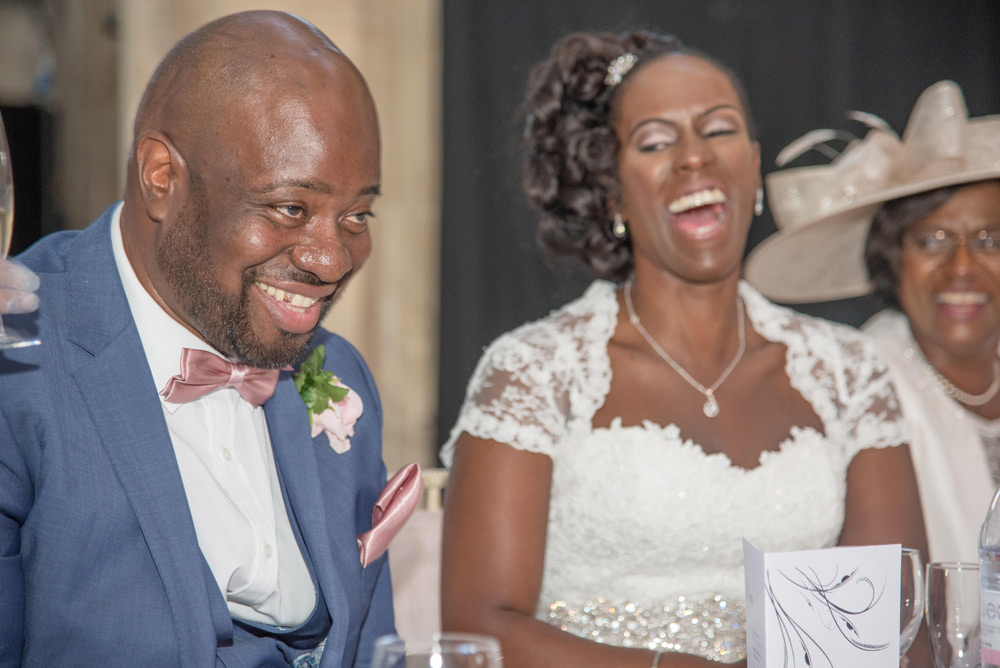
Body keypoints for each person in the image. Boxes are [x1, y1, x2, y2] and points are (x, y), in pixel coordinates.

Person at [440, 30, 928, 668]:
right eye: (656, 142)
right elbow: (479, 626)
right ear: (613, 191)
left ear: (755, 165)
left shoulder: (848, 372)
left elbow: (897, 624)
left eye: (718, 130)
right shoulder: (533, 372)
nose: (694, 158)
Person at [0, 11, 397, 667]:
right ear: (163, 177)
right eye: (291, 208)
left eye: (357, 214)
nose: (332, 259)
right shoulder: (18, 357)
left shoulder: (341, 375)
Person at [746, 80, 1000, 564]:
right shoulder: (857, 383)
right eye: (933, 240)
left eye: (989, 240)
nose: (963, 266)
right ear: (891, 259)